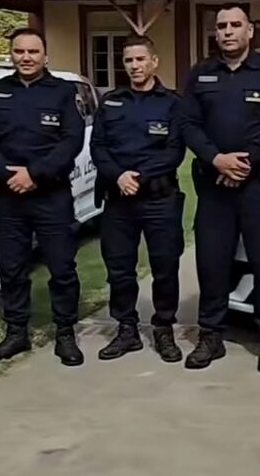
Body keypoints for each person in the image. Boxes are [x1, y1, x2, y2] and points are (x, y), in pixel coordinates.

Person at [178, 4, 260, 373]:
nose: (228, 31)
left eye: (235, 25)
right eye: (221, 26)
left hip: (259, 187)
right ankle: (210, 336)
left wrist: (245, 161)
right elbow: (189, 126)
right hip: (214, 187)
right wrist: (217, 160)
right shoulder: (200, 75)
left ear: (250, 32)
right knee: (212, 264)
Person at [0, 28, 86, 367]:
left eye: (33, 52)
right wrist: (9, 175)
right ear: (12, 55)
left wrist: (34, 174)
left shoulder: (63, 92)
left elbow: (72, 140)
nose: (26, 57)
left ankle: (65, 333)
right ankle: (16, 332)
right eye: (19, 51)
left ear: (45, 56)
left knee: (62, 267)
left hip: (51, 195)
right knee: (11, 268)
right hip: (7, 197)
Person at [90, 35, 186, 363]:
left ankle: (163, 329)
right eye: (129, 60)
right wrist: (118, 176)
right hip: (119, 200)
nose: (134, 66)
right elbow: (98, 147)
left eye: (140, 59)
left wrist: (139, 177)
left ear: (154, 62)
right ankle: (127, 330)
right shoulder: (111, 102)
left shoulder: (173, 103)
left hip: (160, 198)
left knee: (164, 267)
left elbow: (174, 151)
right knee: (119, 269)